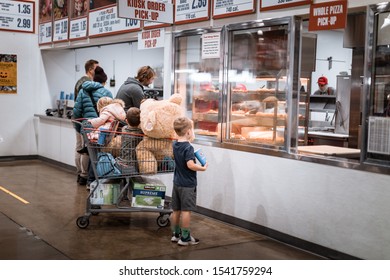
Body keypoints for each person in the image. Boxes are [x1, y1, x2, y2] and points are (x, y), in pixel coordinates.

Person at [170, 117, 208, 246]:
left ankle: (176, 234)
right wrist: (202, 168)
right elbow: (190, 165)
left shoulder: (175, 144)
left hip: (177, 182)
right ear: (188, 132)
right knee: (186, 211)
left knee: (176, 210)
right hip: (187, 184)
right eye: (192, 129)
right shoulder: (188, 148)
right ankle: (185, 237)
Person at [73, 66, 113, 188]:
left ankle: (83, 176)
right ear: (104, 81)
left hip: (86, 127)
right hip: (101, 129)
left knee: (87, 151)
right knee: (96, 154)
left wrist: (79, 128)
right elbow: (110, 112)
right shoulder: (106, 93)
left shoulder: (83, 90)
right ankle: (93, 181)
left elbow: (76, 111)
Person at [73, 59, 99, 186]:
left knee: (79, 148)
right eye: (96, 69)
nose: (98, 71)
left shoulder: (79, 82)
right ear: (90, 70)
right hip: (85, 121)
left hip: (77, 120)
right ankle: (84, 175)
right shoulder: (88, 83)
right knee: (86, 149)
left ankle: (79, 173)